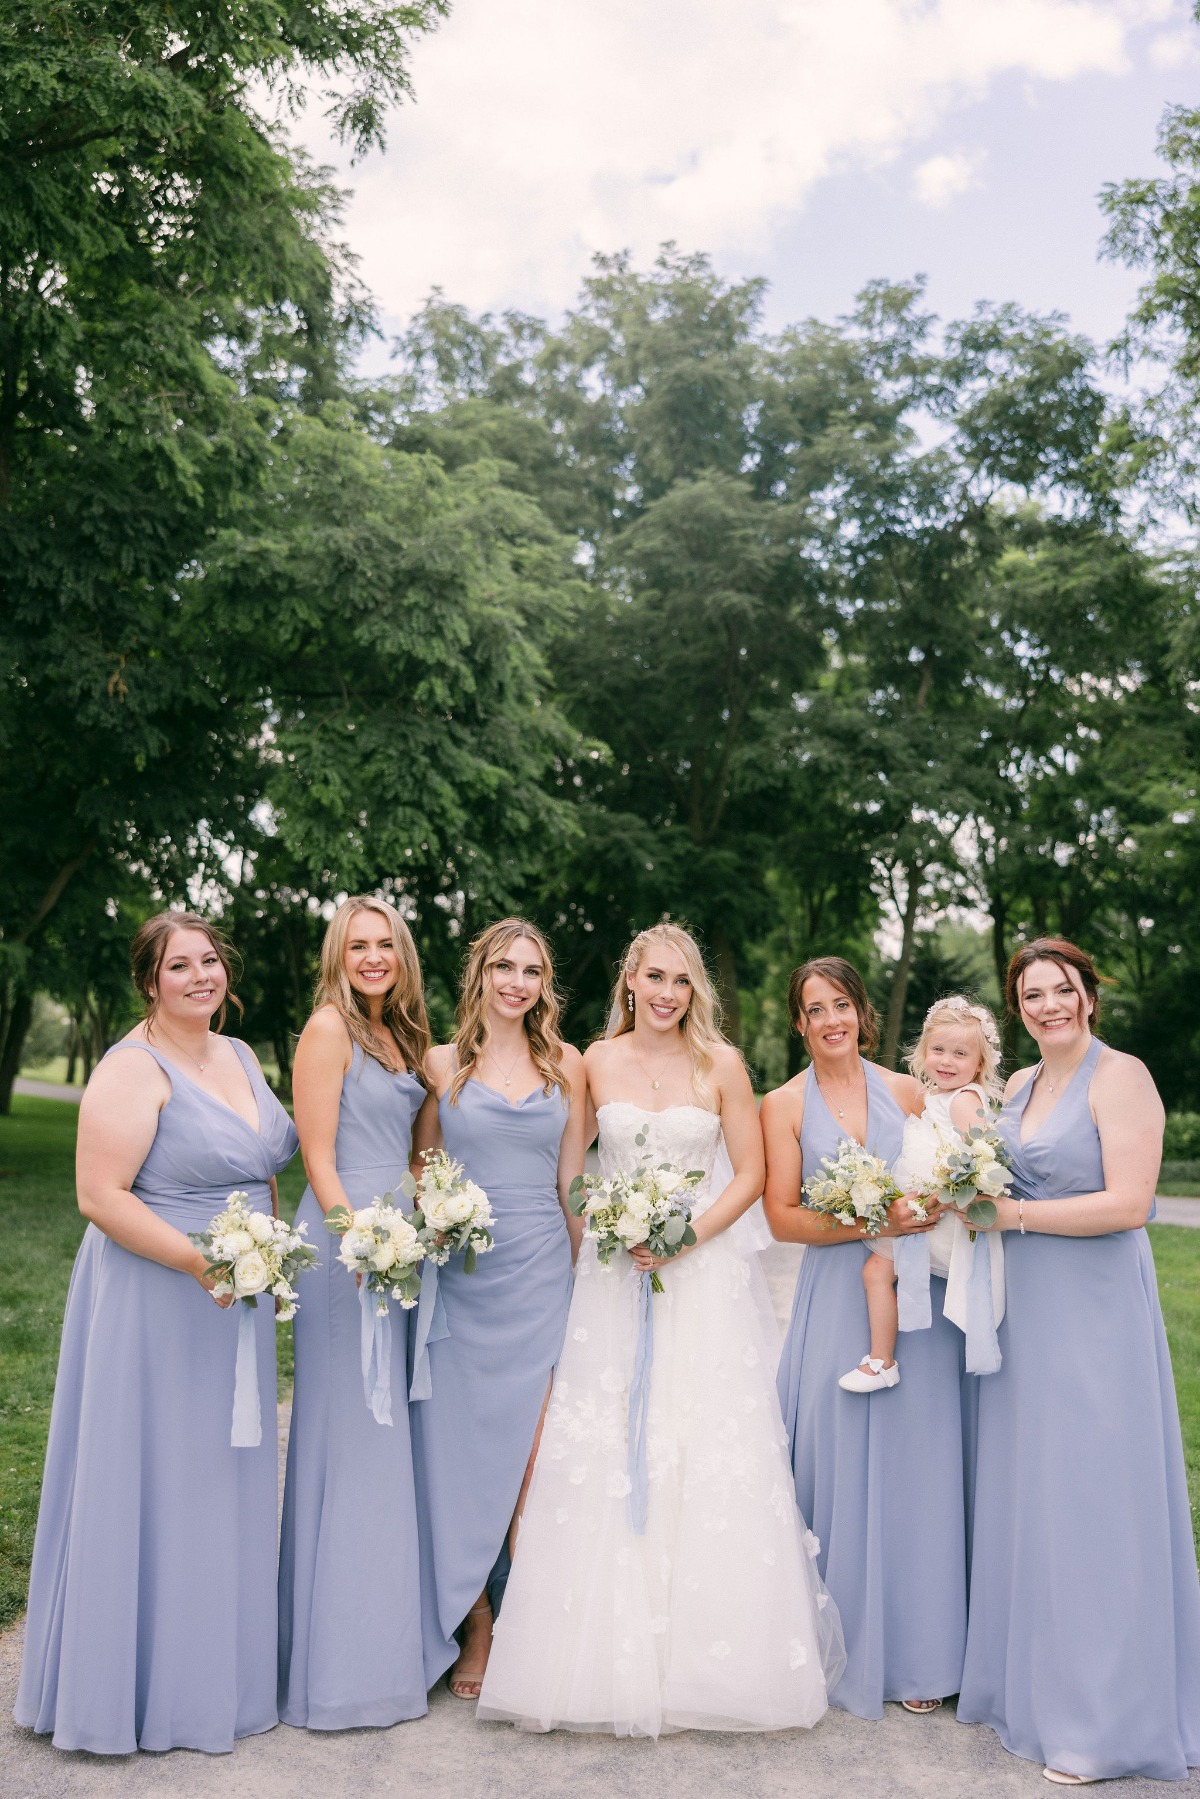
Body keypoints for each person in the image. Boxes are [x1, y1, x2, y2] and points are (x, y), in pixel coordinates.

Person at [478, 923, 844, 1737]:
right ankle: (594, 1666)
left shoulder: (722, 1066)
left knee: (704, 1443)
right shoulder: (592, 1060)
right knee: (604, 1448)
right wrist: (604, 1233)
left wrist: (686, 1233)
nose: (668, 993)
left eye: (682, 980)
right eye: (654, 977)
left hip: (699, 1273)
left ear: (694, 988)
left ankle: (710, 1662)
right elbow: (573, 1171)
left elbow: (750, 1173)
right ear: (630, 980)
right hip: (614, 1277)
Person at [15, 912, 297, 1754]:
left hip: (234, 1298)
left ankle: (215, 1677)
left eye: (210, 960)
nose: (201, 975)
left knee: (220, 1477)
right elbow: (100, 1195)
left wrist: (263, 1260)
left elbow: (261, 1166)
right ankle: (131, 1689)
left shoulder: (241, 1054)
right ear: (149, 981)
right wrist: (198, 1262)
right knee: (154, 1476)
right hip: (156, 1292)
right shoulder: (130, 1067)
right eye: (180, 965)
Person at [957, 938, 1200, 1786]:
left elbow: (1134, 1202)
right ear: (1017, 1006)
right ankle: (1032, 1692)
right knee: (1037, 1498)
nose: (1048, 1004)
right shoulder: (1019, 1085)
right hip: (1027, 1313)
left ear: (1089, 997)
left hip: (1095, 1310)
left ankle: (1104, 1723)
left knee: (1097, 1500)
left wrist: (1013, 1215)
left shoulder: (1121, 1075)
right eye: (1031, 994)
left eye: (1061, 990)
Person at [763, 956, 967, 1719]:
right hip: (833, 1294)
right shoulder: (781, 1104)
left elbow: (948, 1177)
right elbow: (782, 1215)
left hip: (911, 1295)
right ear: (799, 1022)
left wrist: (925, 1209)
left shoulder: (910, 1091)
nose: (830, 1020)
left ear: (861, 1012)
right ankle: (825, 1642)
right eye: (814, 1009)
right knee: (837, 1457)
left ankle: (922, 1650)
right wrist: (868, 1220)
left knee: (916, 1468)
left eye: (841, 1003)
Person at [278, 895, 445, 1729]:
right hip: (350, 1245)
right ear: (338, 954)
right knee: (352, 1438)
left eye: (385, 944)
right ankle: (339, 1666)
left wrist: (432, 1215)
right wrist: (359, 1245)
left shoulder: (405, 1035)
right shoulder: (328, 1030)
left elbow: (421, 1151)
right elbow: (316, 1152)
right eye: (358, 945)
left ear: (402, 954)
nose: (373, 957)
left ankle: (392, 1644)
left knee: (394, 1443)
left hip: (403, 1247)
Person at [409, 919, 586, 1701]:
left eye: (533, 970)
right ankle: (474, 1616)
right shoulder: (440, 1063)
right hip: (465, 1271)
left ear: (546, 984)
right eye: (505, 966)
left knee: (532, 1456)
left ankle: (530, 1620)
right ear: (480, 974)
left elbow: (572, 1184)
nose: (518, 981)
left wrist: (595, 1281)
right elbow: (423, 1162)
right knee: (464, 1449)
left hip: (543, 1270)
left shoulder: (567, 1063)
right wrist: (432, 1211)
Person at [839, 995, 1002, 1392]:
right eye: (938, 1050)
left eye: (960, 1053)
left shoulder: (964, 1100)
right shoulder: (933, 1097)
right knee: (876, 1272)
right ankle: (882, 1359)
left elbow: (979, 1161)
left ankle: (882, 1360)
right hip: (925, 1211)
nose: (946, 1061)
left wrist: (938, 1196)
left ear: (979, 1064)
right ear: (923, 1051)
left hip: (939, 1216)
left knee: (875, 1271)